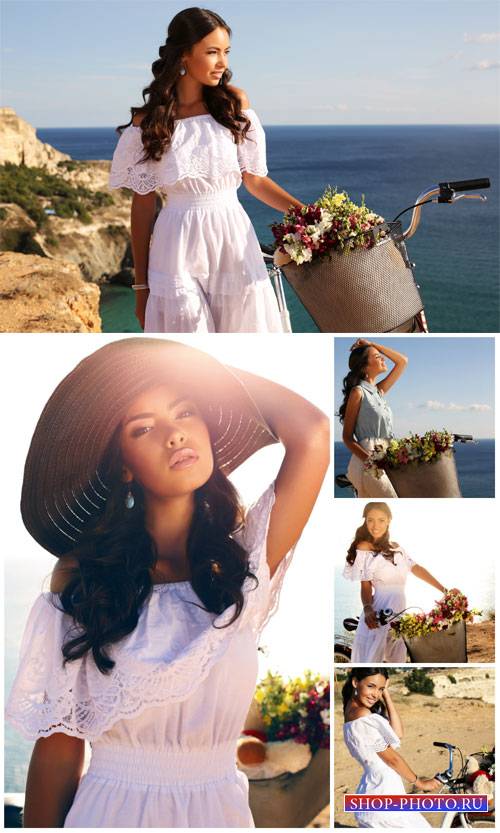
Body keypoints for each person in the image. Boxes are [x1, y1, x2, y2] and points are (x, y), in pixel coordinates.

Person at [6, 337, 329, 828]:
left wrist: (199, 368)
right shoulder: (83, 574)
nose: (174, 435)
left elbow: (312, 431)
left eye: (184, 413)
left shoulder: (243, 566)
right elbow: (58, 750)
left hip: (219, 814)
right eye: (143, 428)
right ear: (124, 468)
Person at [109, 7, 304, 333]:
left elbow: (255, 180)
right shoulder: (150, 121)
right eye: (212, 52)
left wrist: (309, 215)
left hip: (232, 238)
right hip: (175, 245)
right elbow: (142, 206)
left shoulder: (233, 104)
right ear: (184, 54)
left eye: (226, 52)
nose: (223, 63)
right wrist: (141, 289)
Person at [343, 502, 450, 662]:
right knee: (372, 662)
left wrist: (444, 590)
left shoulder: (397, 548)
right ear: (365, 521)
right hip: (379, 615)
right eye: (370, 520)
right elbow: (365, 586)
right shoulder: (364, 547)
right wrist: (367, 608)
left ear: (388, 521)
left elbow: (417, 568)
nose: (375, 525)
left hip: (399, 615)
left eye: (381, 520)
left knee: (398, 660)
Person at [342, 668, 439, 828]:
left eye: (380, 689)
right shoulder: (362, 715)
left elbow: (397, 733)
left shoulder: (352, 711)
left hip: (377, 791)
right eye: (371, 686)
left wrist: (386, 694)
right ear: (355, 682)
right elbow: (392, 759)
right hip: (383, 797)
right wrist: (421, 783)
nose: (375, 694)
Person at [339, 338, 408, 498]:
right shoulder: (358, 392)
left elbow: (402, 361)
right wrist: (371, 461)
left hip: (388, 457)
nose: (383, 358)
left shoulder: (379, 391)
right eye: (377, 357)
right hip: (368, 460)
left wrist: (373, 345)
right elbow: (347, 437)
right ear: (365, 366)